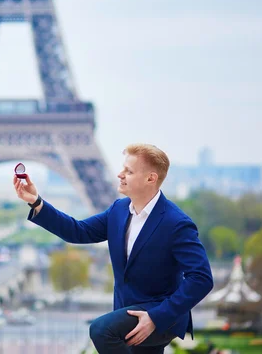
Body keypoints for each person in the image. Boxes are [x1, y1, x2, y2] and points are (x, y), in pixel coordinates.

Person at [13, 144, 213, 353]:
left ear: (150, 178)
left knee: (101, 330)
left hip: (161, 315)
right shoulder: (118, 210)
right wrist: (36, 202)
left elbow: (201, 278)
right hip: (128, 312)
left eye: (129, 171)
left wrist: (156, 317)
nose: (120, 174)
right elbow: (78, 231)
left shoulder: (176, 223)